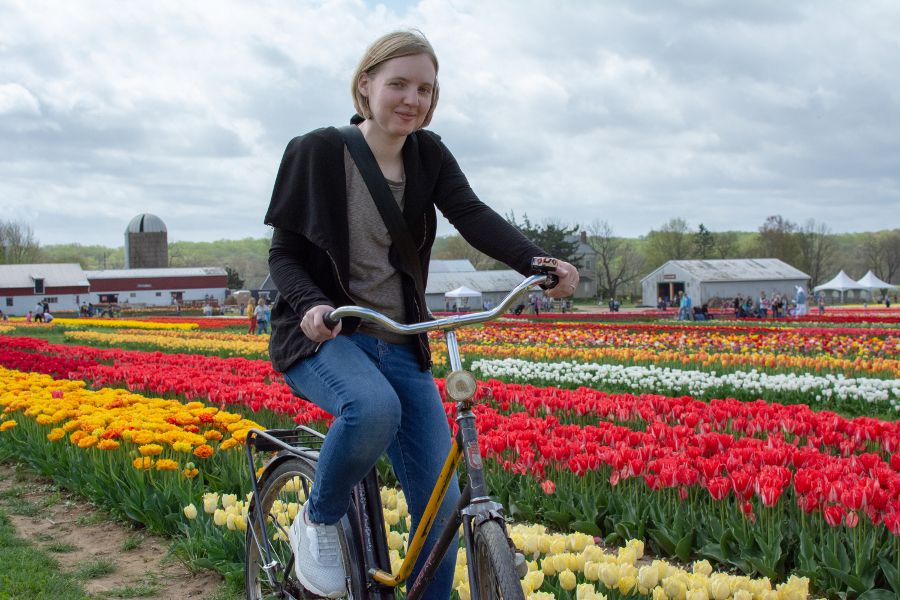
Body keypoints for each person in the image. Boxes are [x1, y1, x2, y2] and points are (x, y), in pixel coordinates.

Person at [263, 30, 579, 600]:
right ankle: (319, 520)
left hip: (402, 342)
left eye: (426, 89)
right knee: (371, 407)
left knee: (441, 515)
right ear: (366, 84)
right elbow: (283, 254)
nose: (413, 99)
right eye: (399, 84)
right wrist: (311, 304)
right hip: (326, 337)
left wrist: (537, 262)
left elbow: (472, 215)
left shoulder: (428, 154)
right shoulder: (314, 151)